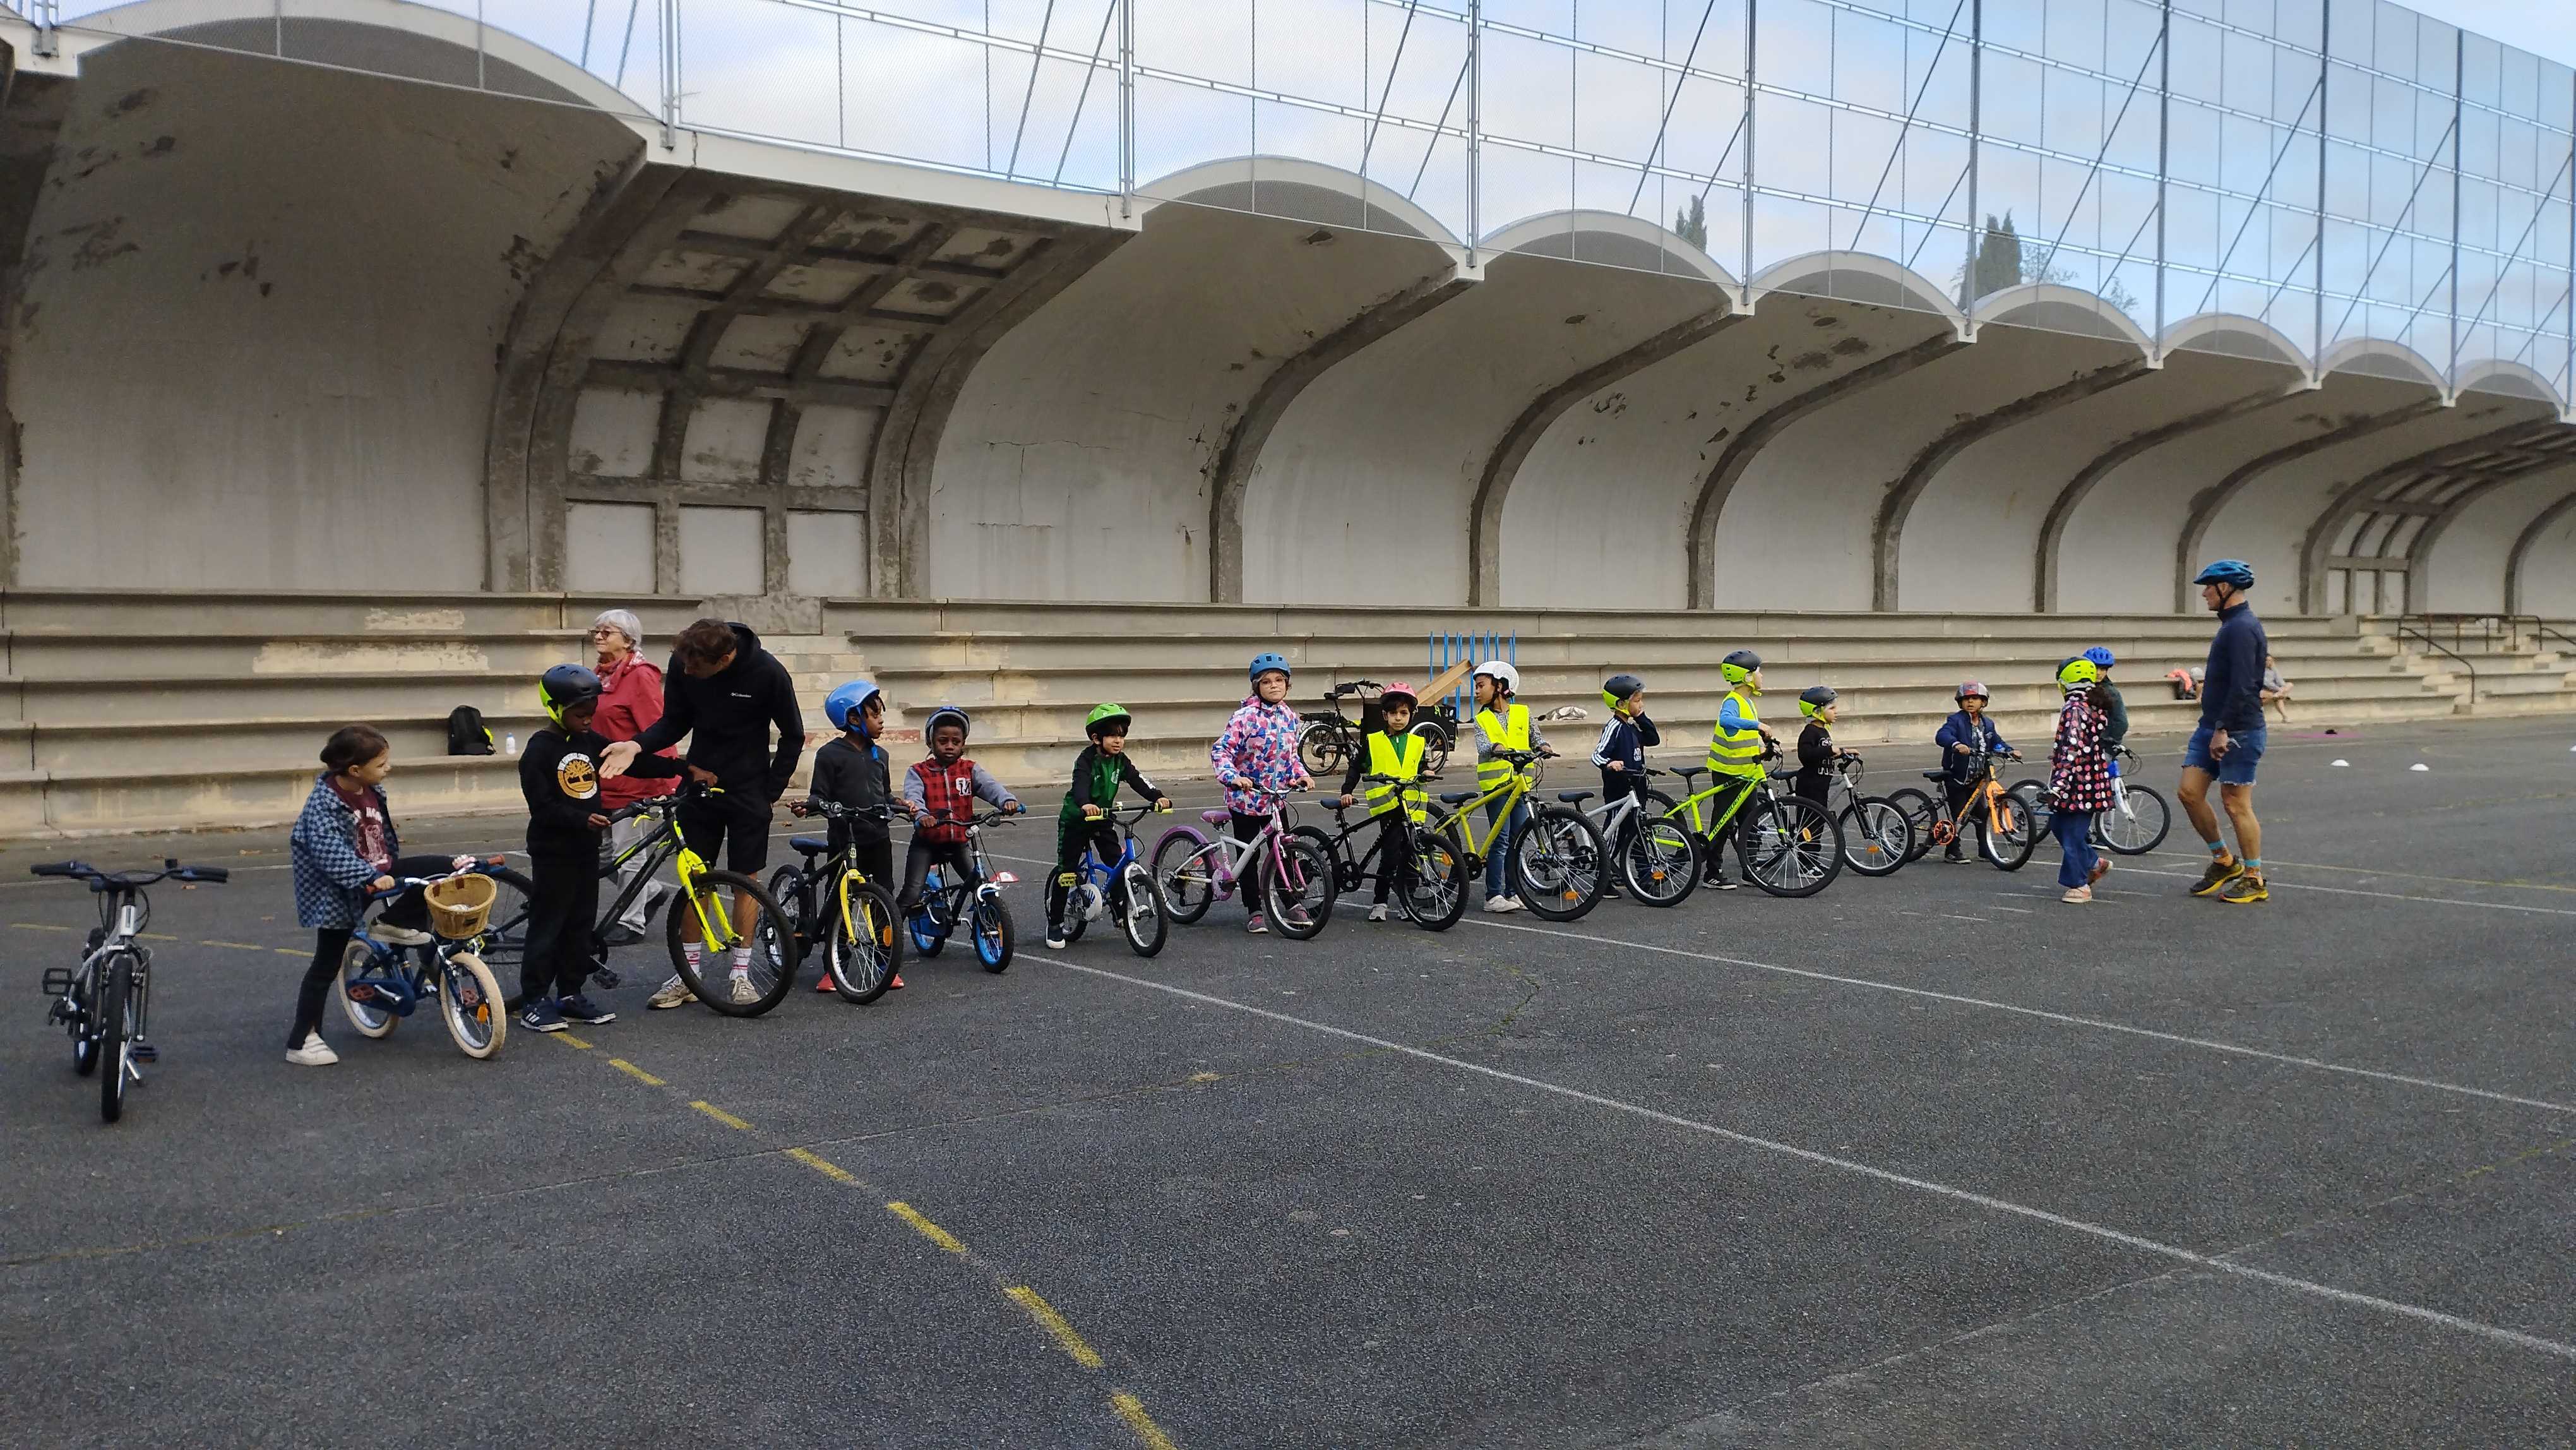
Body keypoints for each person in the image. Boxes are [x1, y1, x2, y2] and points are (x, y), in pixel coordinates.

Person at [626, 618, 806, 1009]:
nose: (687, 673)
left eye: (696, 669)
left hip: (749, 790)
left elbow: (793, 734)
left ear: (725, 658)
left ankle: (741, 974)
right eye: (684, 666)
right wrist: (635, 747)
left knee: (746, 882)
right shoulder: (684, 662)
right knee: (696, 879)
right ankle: (688, 976)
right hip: (699, 782)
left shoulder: (768, 672)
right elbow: (674, 722)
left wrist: (769, 792)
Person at [285, 726, 463, 1066]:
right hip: (338, 887)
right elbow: (330, 853)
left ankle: (394, 923)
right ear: (355, 769)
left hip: (378, 870)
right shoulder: (323, 804)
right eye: (382, 764)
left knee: (437, 873)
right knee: (326, 964)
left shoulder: (370, 788)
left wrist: (381, 871)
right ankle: (301, 1040)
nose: (388, 769)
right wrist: (369, 877)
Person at [515, 667, 679, 1033]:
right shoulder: (540, 750)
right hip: (554, 850)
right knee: (549, 925)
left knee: (579, 924)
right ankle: (535, 999)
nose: (588, 718)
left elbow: (632, 763)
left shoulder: (589, 742)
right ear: (555, 708)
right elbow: (541, 807)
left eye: (592, 710)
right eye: (579, 713)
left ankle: (570, 993)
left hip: (585, 850)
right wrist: (580, 819)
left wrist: (683, 768)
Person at [797, 679, 899, 993]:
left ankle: (884, 964)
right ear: (853, 719)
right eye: (874, 714)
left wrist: (901, 804)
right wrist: (812, 805)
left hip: (878, 837)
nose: (881, 720)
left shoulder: (880, 755)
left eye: (881, 713)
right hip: (845, 840)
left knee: (884, 901)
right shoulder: (829, 755)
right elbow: (820, 794)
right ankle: (834, 967)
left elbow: (886, 795)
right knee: (840, 902)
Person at [2179, 559, 2270, 904]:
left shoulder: (2243, 628)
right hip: (2212, 726)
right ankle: (2223, 861)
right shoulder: (2231, 625)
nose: (2204, 594)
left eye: (2208, 587)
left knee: (2236, 804)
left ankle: (2254, 877)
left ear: (2226, 589)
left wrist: (2223, 729)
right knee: (2189, 793)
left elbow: (2246, 685)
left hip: (2238, 730)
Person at [1051, 704, 1171, 948]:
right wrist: (1085, 804)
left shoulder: (1120, 761)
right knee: (1067, 871)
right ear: (1096, 738)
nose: (1119, 741)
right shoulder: (1086, 760)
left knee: (1117, 861)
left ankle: (1120, 911)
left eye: (1122, 736)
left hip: (1103, 817)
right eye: (1113, 735)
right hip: (1076, 819)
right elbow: (1080, 785)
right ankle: (1054, 924)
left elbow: (1138, 780)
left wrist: (1157, 797)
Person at [590, 609, 676, 945]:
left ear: (628, 641)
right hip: (606, 780)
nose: (598, 637)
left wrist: (669, 779)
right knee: (602, 856)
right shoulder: (599, 675)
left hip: (636, 782)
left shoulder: (641, 676)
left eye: (606, 632)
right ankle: (651, 890)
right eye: (596, 631)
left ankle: (632, 922)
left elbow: (658, 729)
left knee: (628, 855)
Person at [1210, 655, 1311, 934]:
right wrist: (1234, 778)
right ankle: (1254, 909)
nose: (1274, 686)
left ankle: (1291, 902)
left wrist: (1300, 774)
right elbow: (1222, 751)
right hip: (1245, 799)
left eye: (1279, 680)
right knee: (1249, 856)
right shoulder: (1244, 717)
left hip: (1274, 798)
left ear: (1288, 685)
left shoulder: (1291, 718)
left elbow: (1291, 758)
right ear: (1257, 687)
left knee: (1284, 850)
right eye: (1266, 682)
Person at [900, 704, 1023, 919]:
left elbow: (990, 787)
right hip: (927, 842)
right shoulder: (918, 771)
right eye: (943, 741)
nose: (950, 746)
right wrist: (922, 816)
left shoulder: (969, 769)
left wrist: (1007, 801)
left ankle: (990, 927)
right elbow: (914, 797)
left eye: (956, 742)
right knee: (912, 892)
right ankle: (886, 939)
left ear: (963, 744)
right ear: (931, 742)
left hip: (959, 841)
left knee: (980, 886)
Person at [1339, 682, 1431, 921]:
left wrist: (1427, 771)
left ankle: (1406, 902)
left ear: (1412, 715)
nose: (1398, 718)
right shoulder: (1373, 741)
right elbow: (1356, 767)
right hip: (1388, 808)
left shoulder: (1417, 743)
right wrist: (1347, 790)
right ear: (1384, 715)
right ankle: (1379, 902)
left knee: (1411, 857)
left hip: (1412, 808)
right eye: (1393, 714)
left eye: (1404, 713)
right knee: (1390, 857)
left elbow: (1419, 766)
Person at [1472, 660, 1551, 911]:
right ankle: (1493, 896)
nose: (1476, 691)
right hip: (1497, 787)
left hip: (1520, 784)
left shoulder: (1522, 713)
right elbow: (1484, 744)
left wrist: (1543, 747)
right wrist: (1496, 748)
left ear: (1500, 686)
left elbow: (1536, 737)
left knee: (1517, 838)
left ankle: (1513, 891)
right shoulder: (1481, 719)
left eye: (1481, 685)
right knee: (1502, 839)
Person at [1700, 649, 1774, 889]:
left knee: (1749, 821)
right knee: (1723, 822)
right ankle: (1712, 872)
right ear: (1747, 677)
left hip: (1746, 771)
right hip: (1727, 771)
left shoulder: (1748, 702)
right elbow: (1726, 721)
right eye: (1758, 671)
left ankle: (1749, 869)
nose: (1762, 676)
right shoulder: (1733, 701)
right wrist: (1758, 725)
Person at [2048, 657, 2115, 904]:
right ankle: (2094, 862)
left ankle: (2079, 885)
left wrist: (2057, 786)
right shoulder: (2093, 703)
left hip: (2077, 783)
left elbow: (2072, 748)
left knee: (2073, 834)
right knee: (2059, 826)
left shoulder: (2074, 708)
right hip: (2091, 779)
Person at [1589, 673, 1657, 900]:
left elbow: (1653, 738)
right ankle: (1603, 877)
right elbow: (1598, 754)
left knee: (1639, 832)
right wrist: (1610, 763)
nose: (1641, 704)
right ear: (1621, 704)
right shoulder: (1614, 727)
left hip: (1636, 789)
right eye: (1637, 701)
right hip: (1619, 791)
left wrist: (1642, 716)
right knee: (1614, 834)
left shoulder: (1633, 726)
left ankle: (1646, 876)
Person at [1933, 682, 2018, 863]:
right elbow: (1942, 736)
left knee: (1982, 814)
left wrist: (2009, 751)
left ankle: (1984, 849)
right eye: (1966, 699)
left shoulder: (1988, 724)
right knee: (1959, 815)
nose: (1970, 702)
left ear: (1984, 702)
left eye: (1975, 699)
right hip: (1957, 777)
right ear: (1960, 703)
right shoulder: (1955, 721)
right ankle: (1952, 851)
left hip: (1977, 778)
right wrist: (1956, 745)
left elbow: (1996, 742)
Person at [1791, 685, 1839, 811]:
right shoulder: (1810, 732)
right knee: (1809, 825)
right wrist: (1829, 750)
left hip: (1821, 785)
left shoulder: (1823, 731)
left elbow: (1823, 753)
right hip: (1810, 786)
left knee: (1820, 822)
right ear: (1817, 711)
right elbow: (1805, 755)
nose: (1836, 711)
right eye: (1832, 708)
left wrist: (1843, 753)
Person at [2261, 654, 2293, 724]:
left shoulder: (2273, 669)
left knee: (2290, 685)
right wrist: (2279, 689)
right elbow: (2266, 683)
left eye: (2271, 661)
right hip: (2263, 690)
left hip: (2275, 691)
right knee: (2279, 698)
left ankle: (2278, 695)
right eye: (2267, 660)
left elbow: (2280, 681)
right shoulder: (2260, 670)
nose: (2269, 662)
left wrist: (2282, 689)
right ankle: (2285, 717)